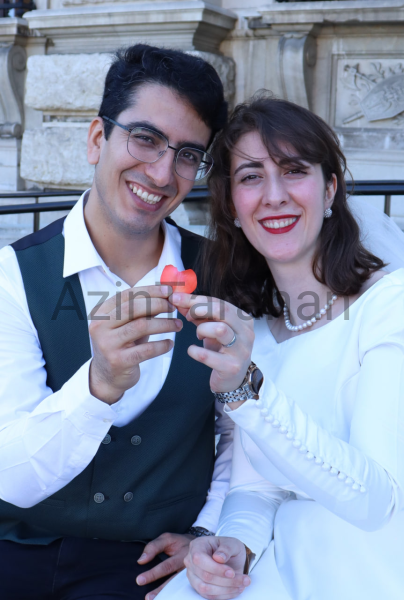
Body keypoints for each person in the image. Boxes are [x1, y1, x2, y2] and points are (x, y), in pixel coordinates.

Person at [0, 44, 234, 600]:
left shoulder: (225, 276)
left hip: (151, 566)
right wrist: (98, 384)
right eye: (145, 138)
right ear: (96, 139)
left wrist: (209, 530)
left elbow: (238, 438)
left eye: (187, 154)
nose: (162, 172)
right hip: (17, 549)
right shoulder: (13, 277)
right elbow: (10, 475)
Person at [158, 95, 404, 599]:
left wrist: (248, 390)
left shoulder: (388, 306)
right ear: (232, 205)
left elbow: (376, 501)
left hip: (366, 568)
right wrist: (233, 546)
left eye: (293, 170)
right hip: (278, 566)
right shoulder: (257, 334)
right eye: (251, 177)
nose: (274, 195)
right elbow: (255, 491)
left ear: (330, 188)